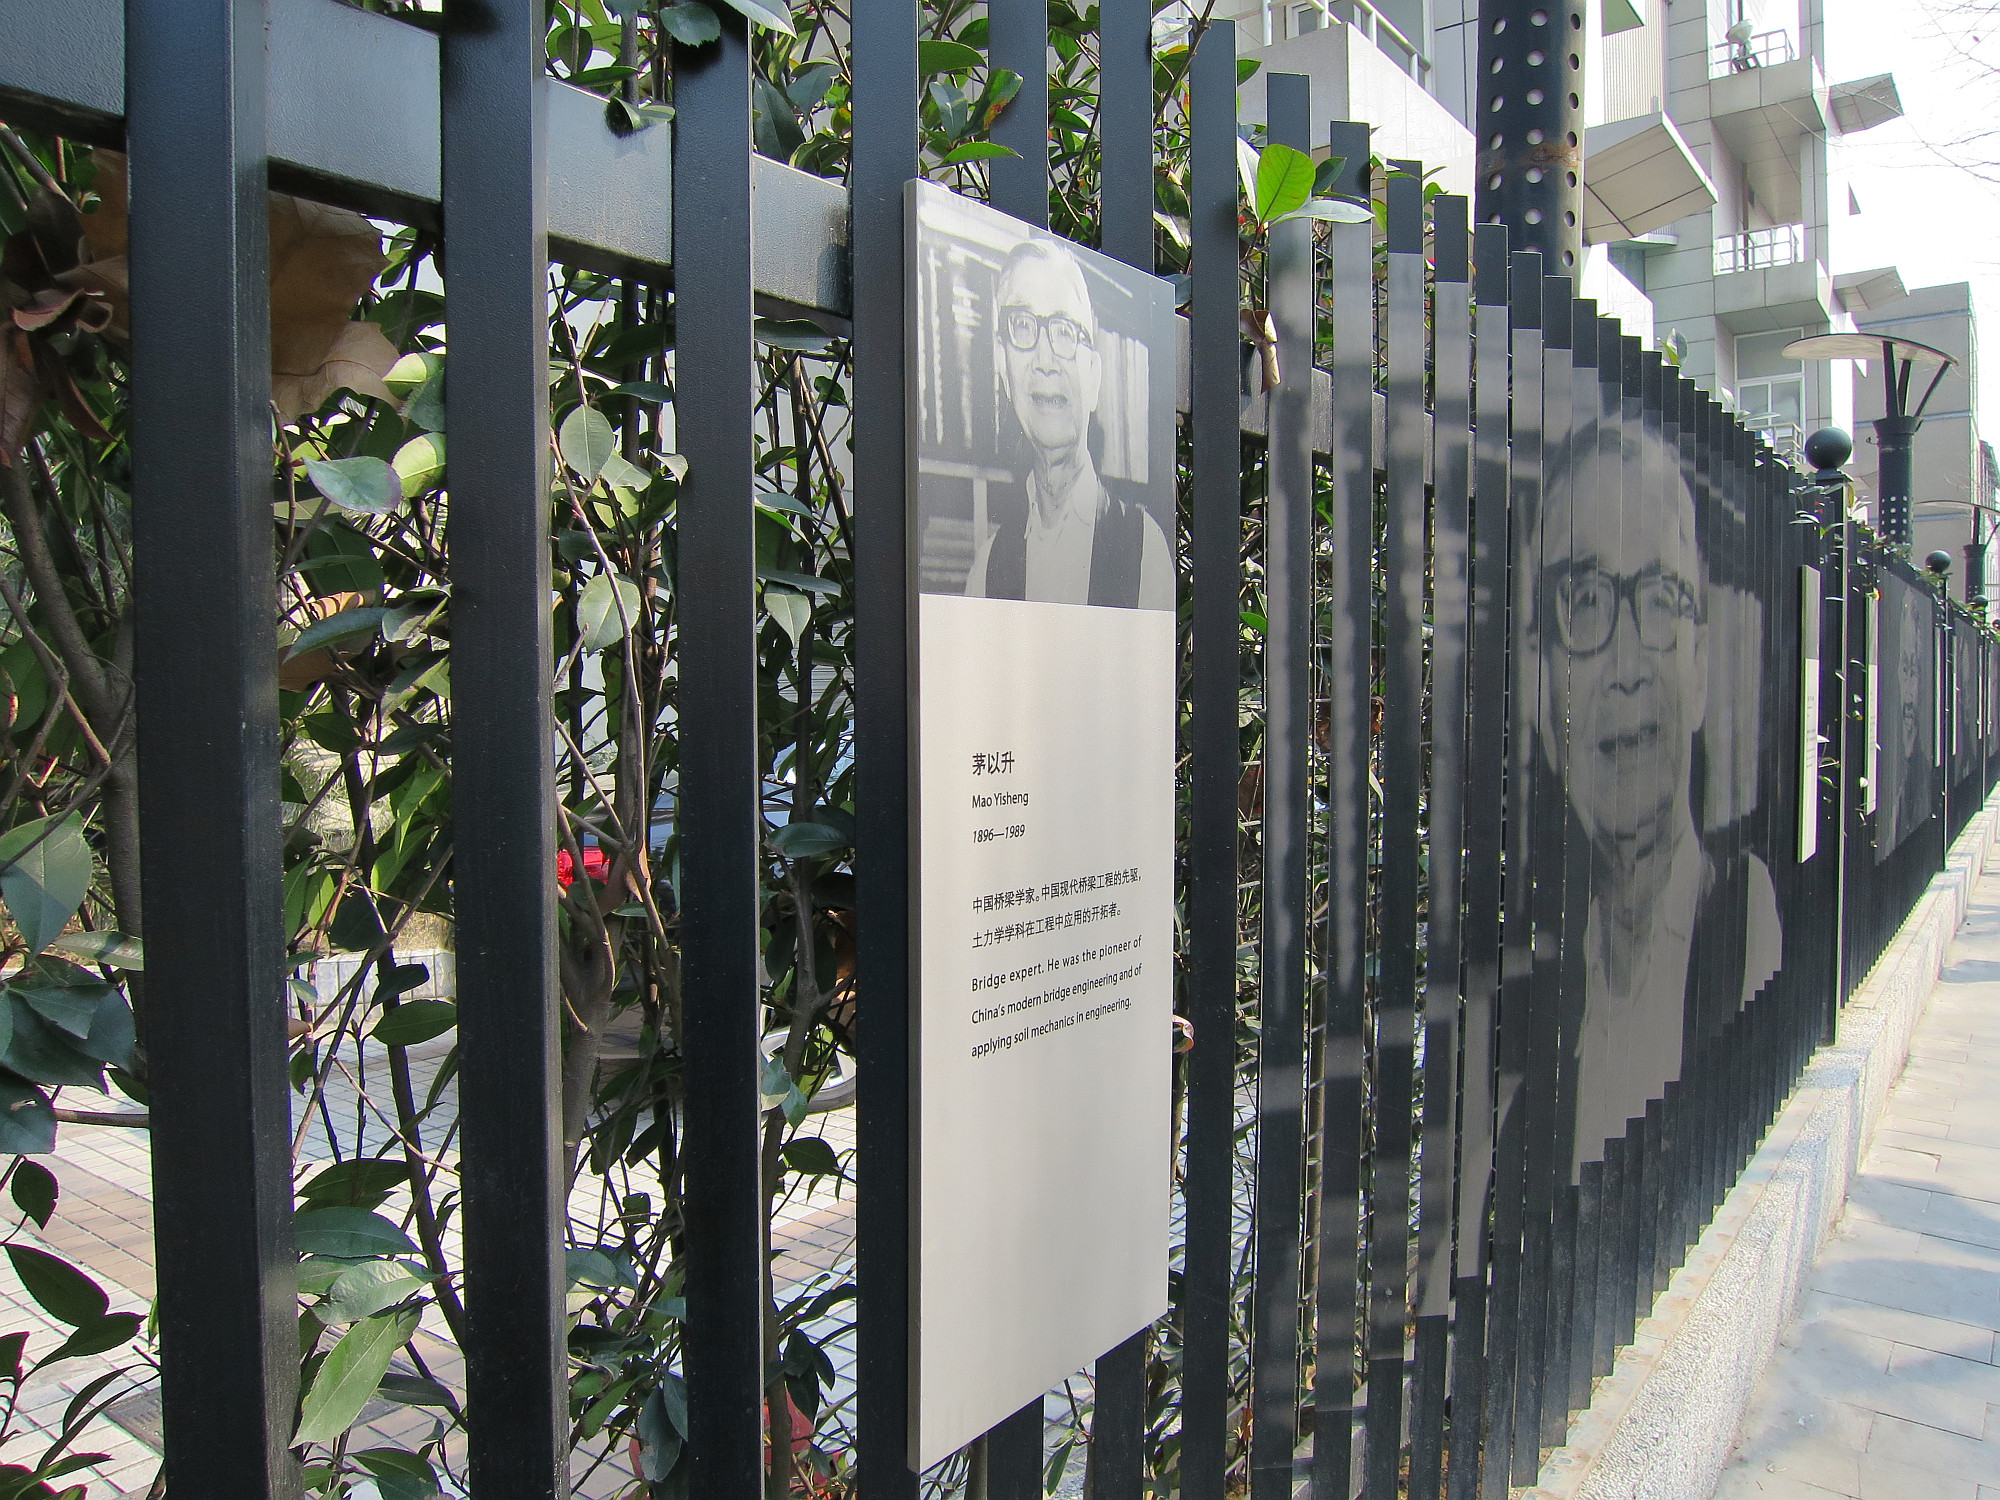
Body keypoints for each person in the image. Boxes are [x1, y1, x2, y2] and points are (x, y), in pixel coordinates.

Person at [1541, 443, 1783, 1174]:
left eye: (1660, 600)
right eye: (1585, 601)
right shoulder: (1542, 991)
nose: (1625, 668)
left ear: (1701, 670)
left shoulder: (1741, 925)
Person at [964, 238, 1172, 610]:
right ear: (1003, 367)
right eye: (1023, 326)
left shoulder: (1145, 550)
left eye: (1064, 331)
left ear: (1093, 375)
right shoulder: (985, 569)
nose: (1045, 360)